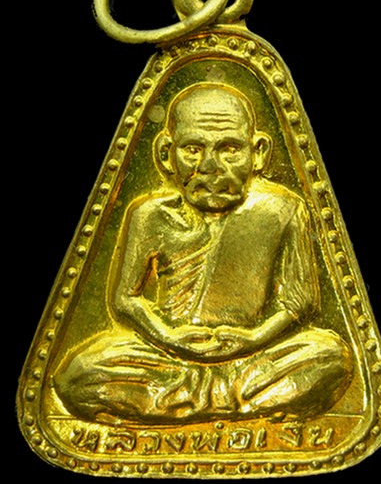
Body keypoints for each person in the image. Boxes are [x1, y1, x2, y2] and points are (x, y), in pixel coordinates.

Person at [54, 82, 352, 423]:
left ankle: (182, 405)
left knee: (330, 356)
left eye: (230, 149)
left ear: (258, 152)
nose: (210, 166)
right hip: (169, 360)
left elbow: (300, 304)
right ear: (166, 154)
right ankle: (234, 401)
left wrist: (253, 338)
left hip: (253, 359)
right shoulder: (149, 215)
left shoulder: (282, 210)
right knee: (77, 375)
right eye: (193, 149)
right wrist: (168, 337)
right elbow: (126, 300)